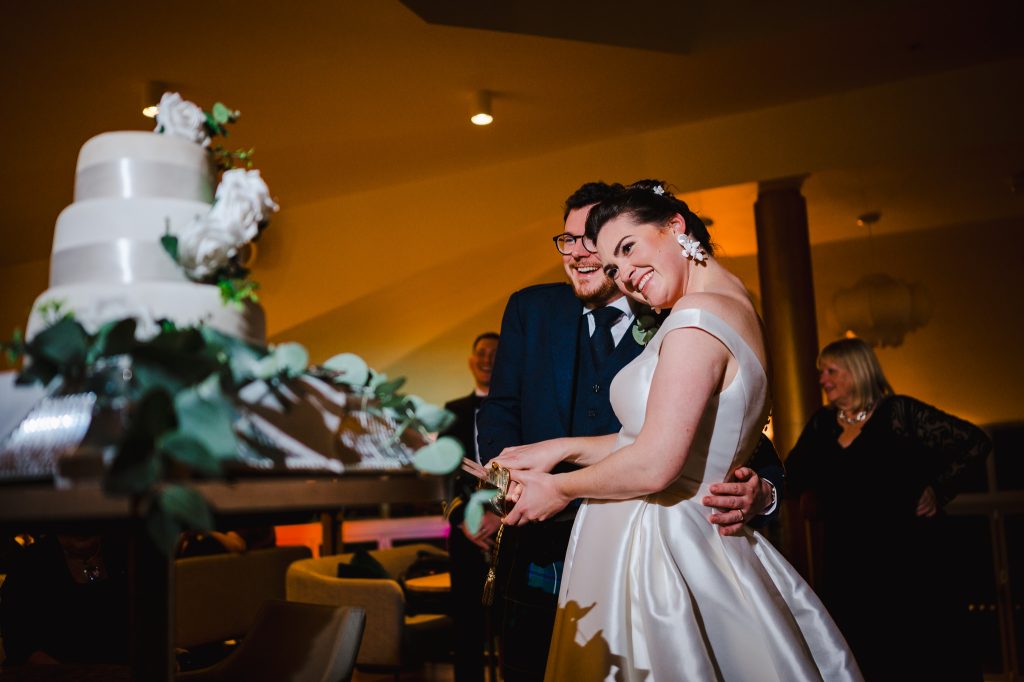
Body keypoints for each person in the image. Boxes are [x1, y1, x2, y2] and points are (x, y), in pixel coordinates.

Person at [494, 180, 861, 681]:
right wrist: (556, 449)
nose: (624, 275)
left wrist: (557, 487)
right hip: (591, 546)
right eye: (613, 268)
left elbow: (656, 460)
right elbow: (653, 433)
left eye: (627, 250)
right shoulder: (733, 303)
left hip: (657, 548)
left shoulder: (691, 318)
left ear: (674, 225)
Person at [785, 337, 991, 681]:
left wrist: (938, 490)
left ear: (857, 372)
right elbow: (791, 476)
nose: (823, 380)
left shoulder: (900, 414)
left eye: (831, 371)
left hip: (911, 564)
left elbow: (976, 443)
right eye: (822, 372)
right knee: (862, 659)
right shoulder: (822, 424)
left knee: (921, 658)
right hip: (849, 567)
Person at [441, 331, 501, 682]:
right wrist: (465, 521)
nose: (486, 359)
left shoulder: (523, 408)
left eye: (495, 353)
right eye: (481, 352)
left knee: (511, 626)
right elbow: (445, 477)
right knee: (465, 627)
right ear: (470, 359)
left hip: (514, 529)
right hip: (464, 535)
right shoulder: (453, 413)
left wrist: (499, 516)